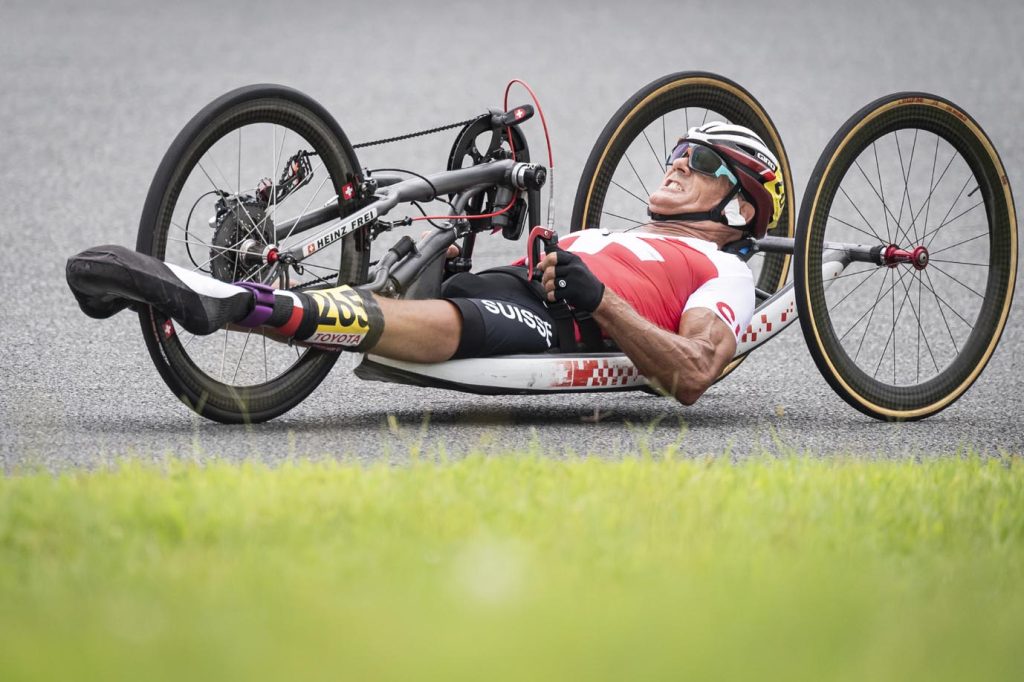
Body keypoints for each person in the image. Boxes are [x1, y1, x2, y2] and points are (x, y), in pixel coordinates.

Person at [66, 122, 785, 406]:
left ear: (743, 208)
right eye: (678, 152)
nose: (677, 164)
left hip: (550, 326)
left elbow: (692, 372)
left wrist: (597, 299)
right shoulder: (634, 232)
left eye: (704, 162)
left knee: (403, 319)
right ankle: (278, 240)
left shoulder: (727, 275)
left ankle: (229, 304)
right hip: (512, 286)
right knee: (412, 235)